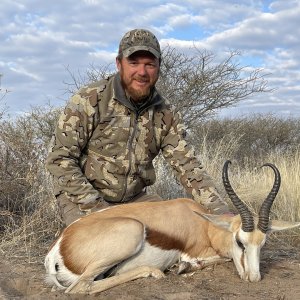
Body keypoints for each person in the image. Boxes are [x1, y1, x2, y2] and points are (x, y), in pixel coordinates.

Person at [46, 28, 229, 226]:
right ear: (119, 64)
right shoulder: (89, 99)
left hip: (135, 200)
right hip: (83, 198)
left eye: (150, 64)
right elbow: (60, 159)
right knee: (109, 243)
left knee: (179, 230)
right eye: (133, 63)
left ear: (159, 67)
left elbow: (188, 166)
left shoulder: (167, 113)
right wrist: (100, 210)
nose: (142, 72)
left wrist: (221, 212)